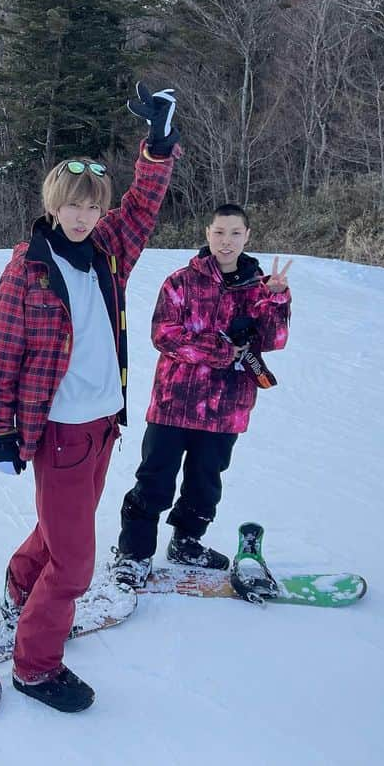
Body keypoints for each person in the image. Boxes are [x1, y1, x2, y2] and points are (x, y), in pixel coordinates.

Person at [0, 83, 181, 713]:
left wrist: (159, 144)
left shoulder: (107, 251)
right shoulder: (28, 267)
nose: (82, 217)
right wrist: (0, 430)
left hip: (102, 426)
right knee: (74, 567)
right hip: (60, 430)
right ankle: (35, 667)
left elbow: (144, 204)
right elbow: (3, 352)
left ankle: (19, 586)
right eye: (72, 205)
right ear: (53, 204)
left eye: (92, 207)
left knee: (61, 530)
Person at [109, 204, 292, 588]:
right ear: (207, 233)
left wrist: (276, 299)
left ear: (248, 236)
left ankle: (187, 541)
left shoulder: (260, 288)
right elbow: (165, 334)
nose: (227, 242)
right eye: (220, 233)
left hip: (226, 409)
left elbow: (274, 341)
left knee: (205, 482)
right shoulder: (180, 282)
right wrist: (223, 349)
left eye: (235, 233)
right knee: (154, 480)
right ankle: (134, 554)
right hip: (174, 404)